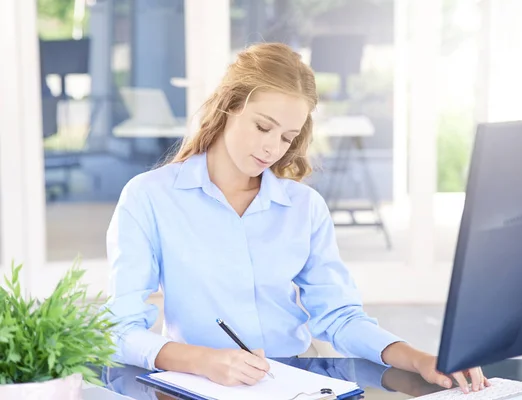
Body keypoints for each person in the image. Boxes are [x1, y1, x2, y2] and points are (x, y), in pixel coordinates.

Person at [104, 42, 490, 394]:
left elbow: (338, 317)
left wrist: (420, 359)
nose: (272, 148)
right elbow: (118, 330)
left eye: (287, 137)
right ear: (228, 106)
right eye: (262, 126)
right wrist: (202, 360)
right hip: (198, 384)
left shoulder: (304, 208)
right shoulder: (150, 197)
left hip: (296, 382)